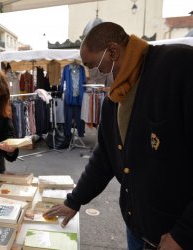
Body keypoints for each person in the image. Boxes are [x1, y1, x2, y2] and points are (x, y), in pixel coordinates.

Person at [44, 22, 193, 250]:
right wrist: (74, 200)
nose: (91, 74)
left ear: (112, 52)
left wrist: (184, 234)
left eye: (92, 65)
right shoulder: (114, 99)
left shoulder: (178, 66)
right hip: (138, 230)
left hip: (177, 237)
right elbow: (104, 157)